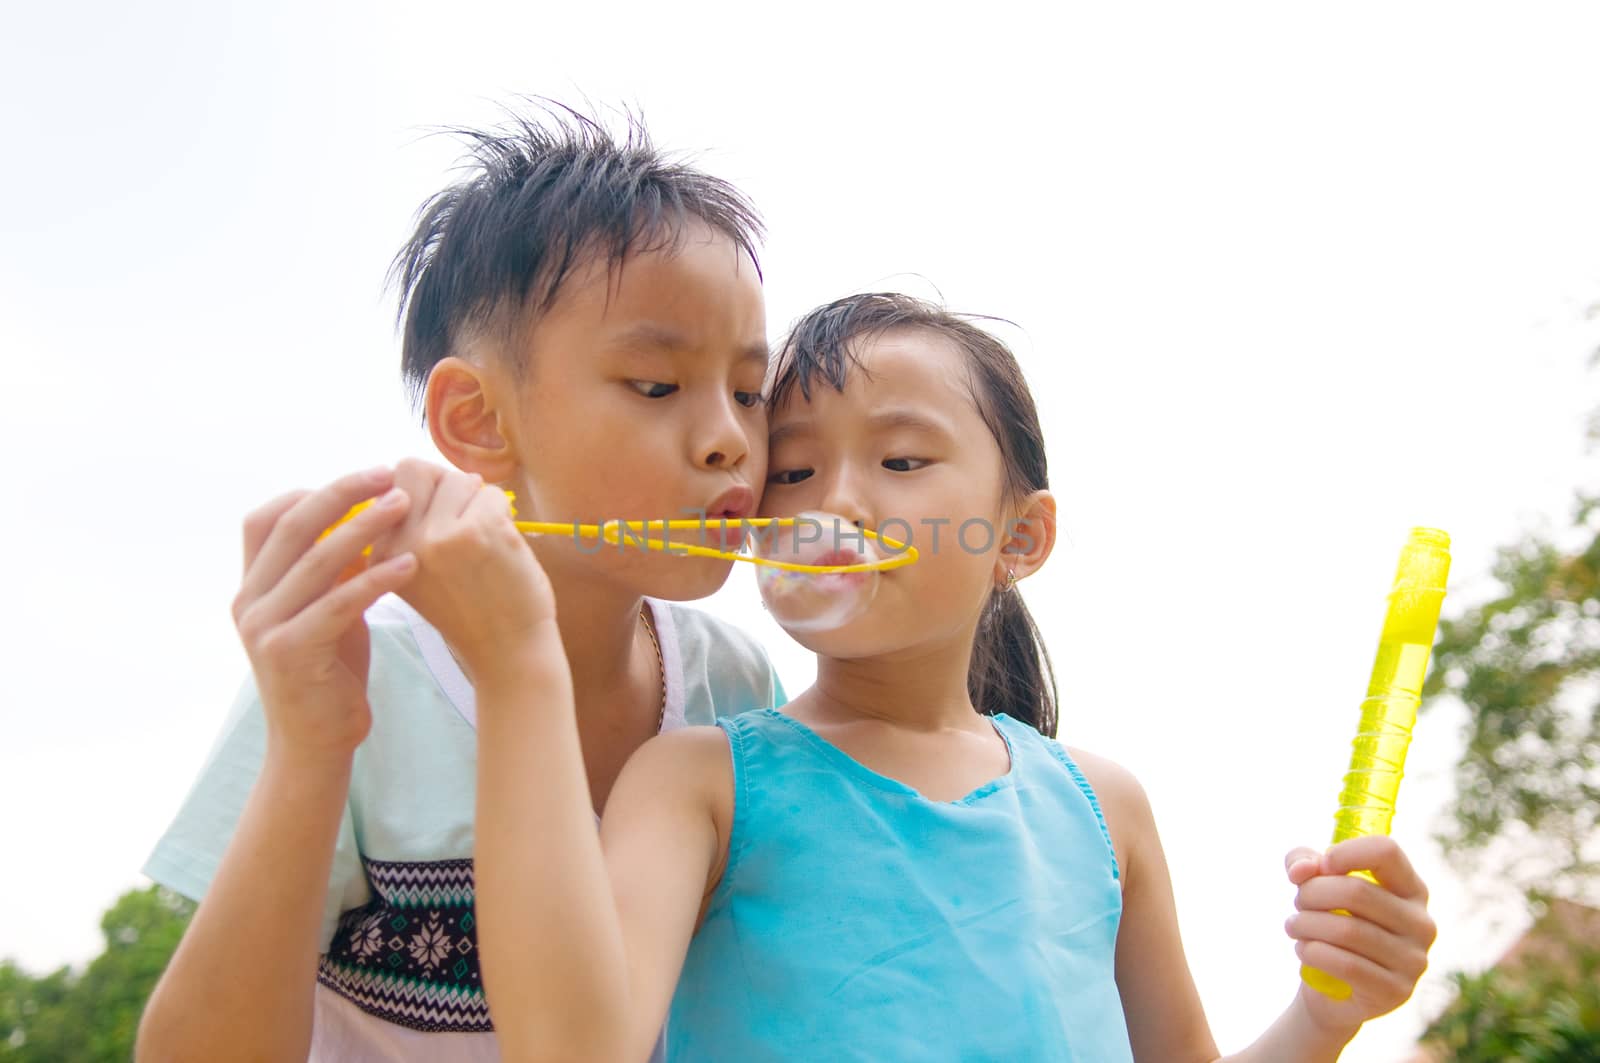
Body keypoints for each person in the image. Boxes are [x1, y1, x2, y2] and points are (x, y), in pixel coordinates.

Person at [468, 293, 1439, 1062]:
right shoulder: (695, 782)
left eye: (898, 457)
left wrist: (1325, 1017)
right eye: (794, 473)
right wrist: (517, 660)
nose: (837, 499)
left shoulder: (1106, 808)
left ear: (1017, 536)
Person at [135, 102, 785, 1063]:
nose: (731, 437)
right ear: (476, 422)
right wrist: (313, 750)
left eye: (748, 390)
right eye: (657, 385)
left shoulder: (738, 691)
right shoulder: (358, 670)